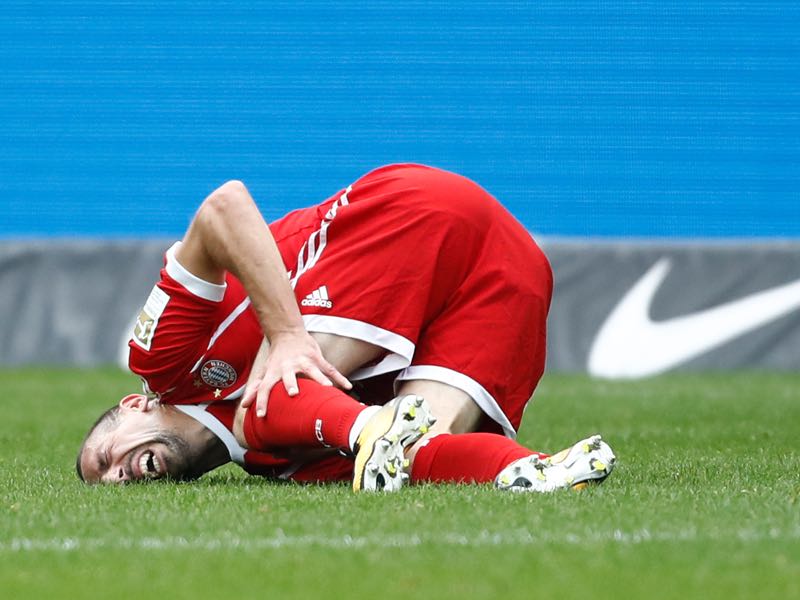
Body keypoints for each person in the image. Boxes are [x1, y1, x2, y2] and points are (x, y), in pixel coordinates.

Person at [76, 164, 616, 491]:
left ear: (132, 406)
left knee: (264, 409)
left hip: (412, 212)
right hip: (512, 275)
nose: (116, 476)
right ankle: (538, 471)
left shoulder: (160, 363)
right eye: (110, 485)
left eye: (102, 458)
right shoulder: (281, 465)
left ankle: (369, 430)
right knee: (412, 449)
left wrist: (286, 335)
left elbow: (224, 206)